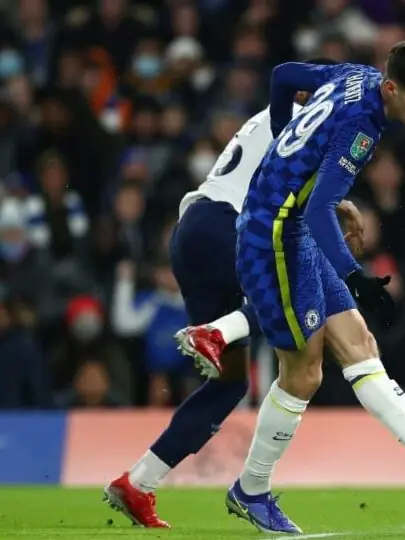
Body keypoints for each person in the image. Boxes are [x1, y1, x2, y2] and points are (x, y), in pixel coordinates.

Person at [216, 40, 405, 534]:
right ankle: (251, 489)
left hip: (292, 229)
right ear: (392, 89)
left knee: (360, 343)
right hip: (273, 238)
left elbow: (283, 74)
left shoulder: (354, 75)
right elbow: (319, 208)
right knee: (302, 374)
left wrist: (282, 137)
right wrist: (354, 274)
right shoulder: (363, 124)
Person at [102, 59, 356, 529]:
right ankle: (215, 332)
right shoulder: (309, 122)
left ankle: (137, 483)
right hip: (229, 225)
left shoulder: (273, 118)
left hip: (193, 230)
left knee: (230, 384)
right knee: (297, 294)